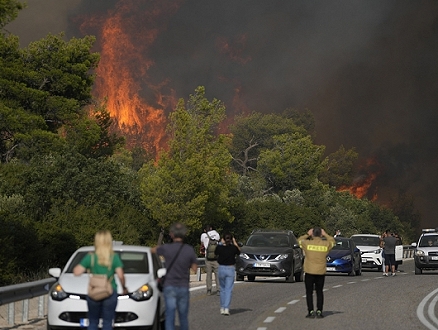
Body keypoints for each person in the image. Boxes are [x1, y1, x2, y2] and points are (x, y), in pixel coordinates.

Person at [73, 230, 128, 330]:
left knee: (93, 322)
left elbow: (77, 272)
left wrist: (87, 264)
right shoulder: (114, 257)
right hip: (110, 291)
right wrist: (124, 288)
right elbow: (121, 276)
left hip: (94, 291)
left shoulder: (91, 257)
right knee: (107, 322)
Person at [152, 223, 198, 330]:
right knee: (183, 316)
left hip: (169, 285)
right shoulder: (189, 249)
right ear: (184, 234)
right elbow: (195, 268)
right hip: (183, 286)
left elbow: (152, 251)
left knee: (169, 314)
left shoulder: (166, 248)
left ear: (171, 234)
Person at [298, 227, 335, 319]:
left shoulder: (307, 243)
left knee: (309, 292)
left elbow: (299, 241)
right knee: (319, 292)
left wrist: (307, 234)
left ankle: (310, 311)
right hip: (320, 272)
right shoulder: (325, 244)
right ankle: (319, 311)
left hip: (309, 271)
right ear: (320, 234)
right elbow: (333, 241)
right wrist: (325, 234)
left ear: (313, 234)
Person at [215, 233, 240, 316]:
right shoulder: (233, 248)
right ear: (231, 239)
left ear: (223, 239)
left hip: (221, 268)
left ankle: (222, 307)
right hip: (230, 269)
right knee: (228, 289)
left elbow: (215, 252)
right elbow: (239, 252)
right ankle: (226, 308)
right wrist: (235, 242)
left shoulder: (220, 248)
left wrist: (220, 243)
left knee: (222, 289)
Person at [200, 224, 220, 295]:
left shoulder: (203, 235)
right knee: (217, 274)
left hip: (208, 258)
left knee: (209, 275)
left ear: (205, 230)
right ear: (211, 228)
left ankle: (209, 290)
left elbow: (202, 244)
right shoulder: (216, 234)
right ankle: (218, 290)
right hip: (216, 258)